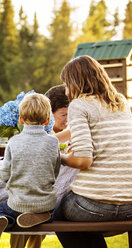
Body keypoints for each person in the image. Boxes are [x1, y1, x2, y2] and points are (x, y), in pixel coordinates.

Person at [54, 55, 132, 248]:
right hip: (130, 204)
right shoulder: (120, 103)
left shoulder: (79, 105)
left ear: (76, 82)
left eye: (67, 84)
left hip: (95, 206)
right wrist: (47, 141)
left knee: (56, 212)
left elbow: (83, 161)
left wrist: (60, 157)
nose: (66, 90)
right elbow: (87, 129)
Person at [0, 93, 61, 248]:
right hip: (45, 204)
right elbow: (55, 170)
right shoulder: (53, 142)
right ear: (47, 120)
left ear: (20, 120)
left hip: (18, 203)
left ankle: (3, 220)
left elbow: (5, 173)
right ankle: (43, 216)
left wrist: (7, 177)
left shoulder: (13, 142)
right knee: (56, 210)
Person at [9, 84, 74, 248]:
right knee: (30, 211)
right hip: (39, 197)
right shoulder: (49, 138)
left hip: (38, 197)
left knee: (33, 212)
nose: (69, 120)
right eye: (63, 115)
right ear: (48, 116)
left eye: (71, 114)